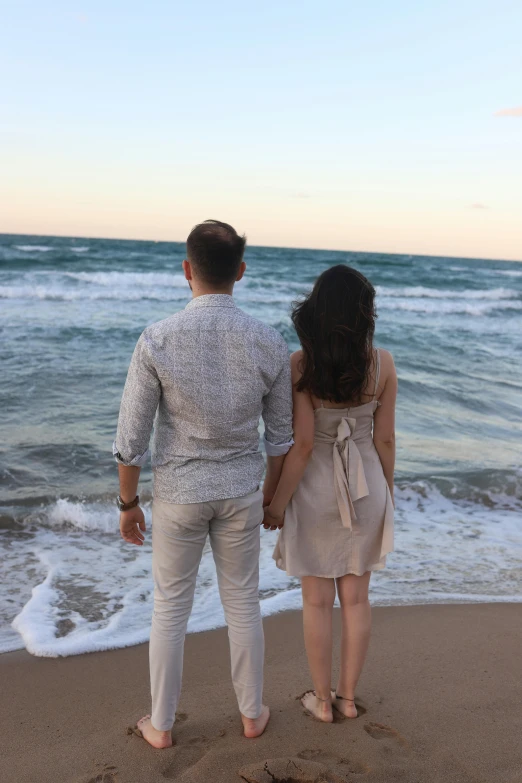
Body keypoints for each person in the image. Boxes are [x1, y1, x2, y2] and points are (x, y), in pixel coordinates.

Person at [113, 220, 293, 747]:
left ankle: (162, 726)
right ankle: (252, 714)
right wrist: (271, 496)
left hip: (180, 495)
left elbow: (131, 437)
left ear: (187, 270)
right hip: (240, 491)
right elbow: (279, 438)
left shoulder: (157, 338)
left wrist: (128, 503)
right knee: (243, 604)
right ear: (240, 271)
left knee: (170, 608)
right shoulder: (267, 340)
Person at [263, 264, 396, 723]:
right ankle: (349, 698)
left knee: (316, 602)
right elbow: (385, 442)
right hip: (366, 488)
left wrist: (275, 504)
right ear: (364, 314)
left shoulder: (301, 364)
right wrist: (388, 494)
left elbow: (300, 446)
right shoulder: (383, 363)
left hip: (316, 491)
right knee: (357, 600)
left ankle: (321, 701)